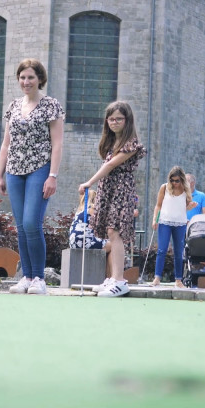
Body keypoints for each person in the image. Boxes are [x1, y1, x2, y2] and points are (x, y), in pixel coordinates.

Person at [0, 58, 64, 295]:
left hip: (40, 168)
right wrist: (0, 174)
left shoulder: (51, 105)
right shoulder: (13, 106)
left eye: (31, 77)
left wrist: (52, 176)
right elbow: (6, 143)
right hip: (14, 170)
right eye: (23, 77)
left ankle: (39, 278)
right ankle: (26, 276)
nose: (26, 81)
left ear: (40, 79)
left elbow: (57, 144)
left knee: (31, 223)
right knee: (20, 227)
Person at [78, 101, 146, 297]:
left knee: (115, 232)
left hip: (121, 191)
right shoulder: (111, 143)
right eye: (111, 119)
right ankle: (113, 278)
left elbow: (109, 166)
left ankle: (119, 280)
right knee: (110, 232)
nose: (114, 122)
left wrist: (88, 183)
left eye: (119, 119)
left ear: (127, 120)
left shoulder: (131, 143)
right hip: (108, 189)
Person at [151, 166, 196, 288]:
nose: (175, 183)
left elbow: (183, 208)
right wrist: (155, 219)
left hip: (180, 223)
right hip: (165, 221)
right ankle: (157, 278)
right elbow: (158, 205)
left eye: (177, 181)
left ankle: (178, 280)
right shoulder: (164, 188)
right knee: (162, 249)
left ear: (182, 180)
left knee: (178, 251)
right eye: (172, 180)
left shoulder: (186, 191)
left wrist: (190, 207)